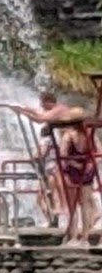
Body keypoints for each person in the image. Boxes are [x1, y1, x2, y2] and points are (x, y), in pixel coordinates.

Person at [20, 92, 97, 245]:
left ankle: (74, 234)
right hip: (87, 170)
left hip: (72, 171)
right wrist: (88, 164)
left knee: (73, 204)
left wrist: (23, 111)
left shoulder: (68, 135)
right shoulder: (90, 135)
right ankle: (85, 235)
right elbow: (97, 152)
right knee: (85, 202)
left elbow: (63, 156)